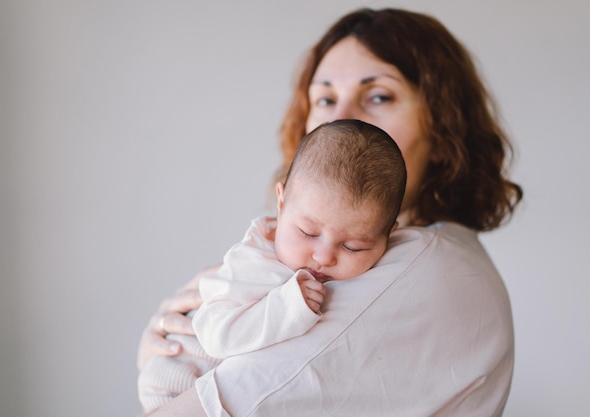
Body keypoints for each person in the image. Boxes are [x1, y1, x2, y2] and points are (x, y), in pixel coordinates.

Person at [137, 7, 524, 417]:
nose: (344, 118)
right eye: (325, 98)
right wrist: (163, 349)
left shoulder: (426, 267)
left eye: (378, 96)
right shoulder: (286, 255)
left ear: (445, 129)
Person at [137, 119, 407, 412]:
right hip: (176, 381)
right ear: (280, 204)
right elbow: (217, 338)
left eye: (353, 246)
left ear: (388, 235)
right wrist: (287, 305)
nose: (324, 256)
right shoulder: (254, 264)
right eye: (308, 232)